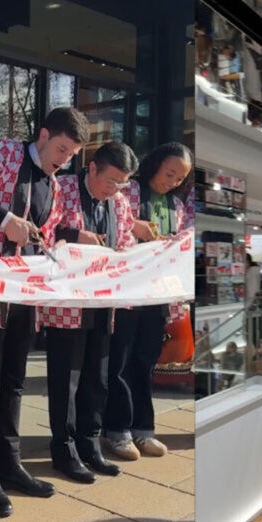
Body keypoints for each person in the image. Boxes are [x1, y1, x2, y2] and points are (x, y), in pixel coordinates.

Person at [0, 107, 85, 513]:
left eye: (70, 155)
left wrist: (60, 241)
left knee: (14, 381)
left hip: (26, 292)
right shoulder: (3, 154)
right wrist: (5, 217)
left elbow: (50, 228)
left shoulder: (55, 185)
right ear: (44, 135)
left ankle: (11, 463)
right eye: (61, 149)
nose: (63, 160)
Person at [40, 141, 137, 484]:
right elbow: (43, 234)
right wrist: (73, 234)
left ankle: (89, 442)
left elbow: (125, 243)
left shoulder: (120, 204)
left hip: (103, 301)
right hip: (68, 301)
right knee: (66, 378)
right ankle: (63, 448)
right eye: (110, 181)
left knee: (97, 376)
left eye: (121, 184)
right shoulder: (61, 188)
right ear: (92, 168)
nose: (114, 190)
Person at [105, 141, 192, 460]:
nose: (173, 181)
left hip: (157, 292)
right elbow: (110, 226)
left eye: (180, 178)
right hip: (127, 290)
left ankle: (143, 429)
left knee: (145, 361)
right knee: (121, 361)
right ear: (155, 164)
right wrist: (132, 226)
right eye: (170, 173)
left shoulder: (177, 207)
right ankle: (116, 429)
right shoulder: (127, 192)